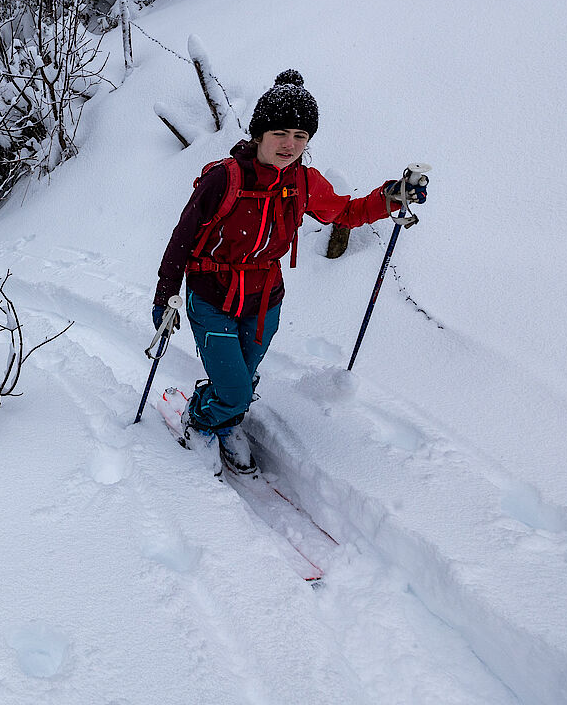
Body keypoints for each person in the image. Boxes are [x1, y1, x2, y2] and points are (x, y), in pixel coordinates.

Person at [152, 70, 427, 476]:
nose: (290, 144)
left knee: (243, 380)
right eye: (280, 132)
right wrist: (165, 296)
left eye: (300, 136)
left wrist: (391, 198)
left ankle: (227, 417)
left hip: (265, 299)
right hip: (212, 294)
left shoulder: (303, 182)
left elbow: (346, 213)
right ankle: (201, 417)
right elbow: (183, 236)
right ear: (259, 133)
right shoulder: (224, 178)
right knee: (235, 389)